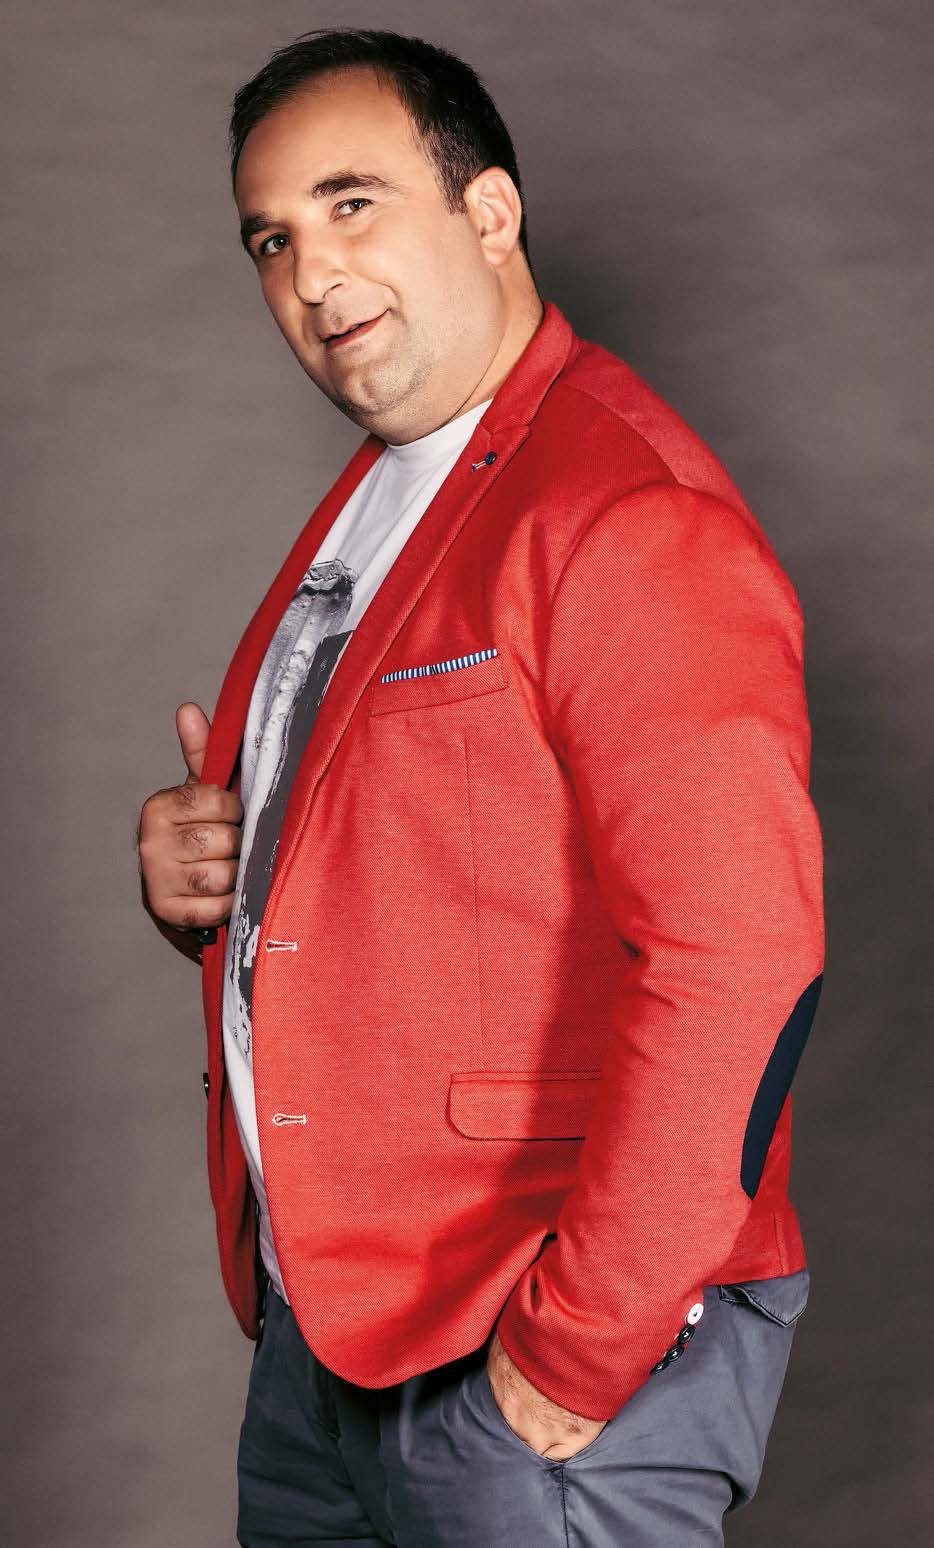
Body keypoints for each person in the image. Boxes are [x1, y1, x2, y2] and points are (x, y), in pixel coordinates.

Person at [136, 26, 824, 1548]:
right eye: (272, 238)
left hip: (531, 1346)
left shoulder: (622, 508)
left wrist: (576, 1350)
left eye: (351, 203)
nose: (312, 272)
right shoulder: (392, 489)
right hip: (328, 1333)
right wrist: (205, 876)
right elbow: (419, 857)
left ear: (490, 211)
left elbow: (741, 961)